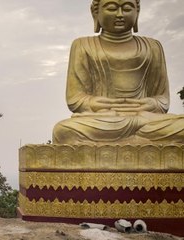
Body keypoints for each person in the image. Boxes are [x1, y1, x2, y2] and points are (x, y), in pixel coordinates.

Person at [52, 0, 184, 144]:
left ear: (137, 12)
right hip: (104, 120)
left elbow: (162, 99)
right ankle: (139, 143)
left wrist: (153, 103)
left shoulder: (152, 47)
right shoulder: (83, 46)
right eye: (112, 8)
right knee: (64, 131)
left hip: (146, 119)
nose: (120, 14)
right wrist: (93, 103)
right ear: (95, 12)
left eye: (127, 8)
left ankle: (126, 143)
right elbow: (75, 98)